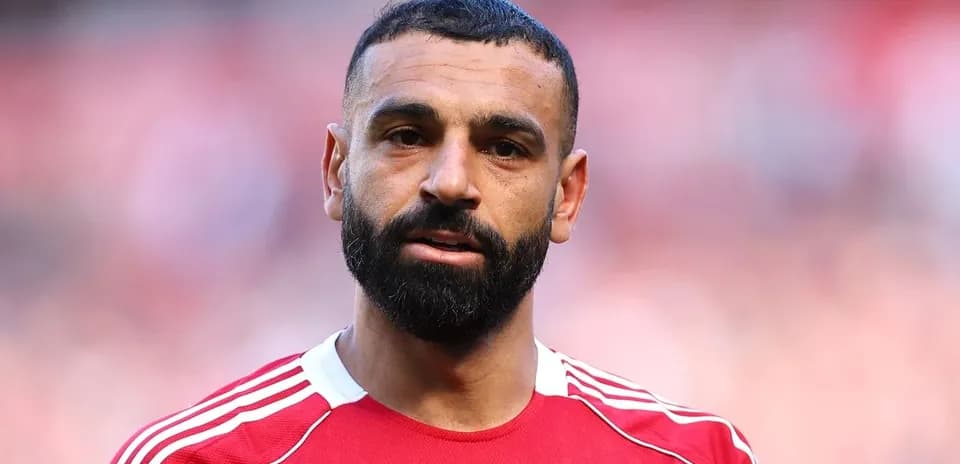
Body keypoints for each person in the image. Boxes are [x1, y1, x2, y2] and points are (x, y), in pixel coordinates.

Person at [112, 1, 757, 462]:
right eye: (407, 137)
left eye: (504, 147)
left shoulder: (695, 454)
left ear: (567, 195)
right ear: (337, 171)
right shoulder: (200, 457)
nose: (451, 182)